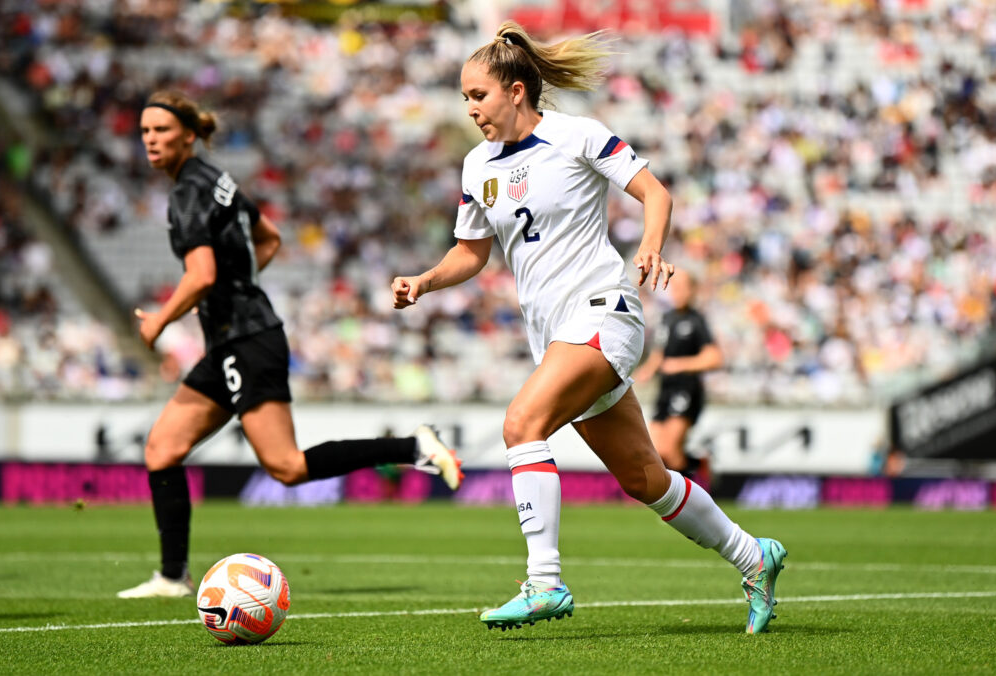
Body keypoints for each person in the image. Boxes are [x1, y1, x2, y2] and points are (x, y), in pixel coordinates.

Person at [392, 22, 786, 634]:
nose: (470, 109)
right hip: (557, 336)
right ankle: (752, 556)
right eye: (465, 98)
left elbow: (654, 193)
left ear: (516, 91)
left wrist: (651, 247)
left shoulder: (577, 135)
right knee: (646, 479)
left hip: (606, 312)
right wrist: (425, 281)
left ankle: (544, 583)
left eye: (477, 96)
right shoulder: (477, 167)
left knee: (522, 424)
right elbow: (471, 253)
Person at [118, 91, 463, 599]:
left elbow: (202, 272)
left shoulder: (187, 192)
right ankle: (172, 577)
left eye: (161, 131)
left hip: (248, 339)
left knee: (287, 466)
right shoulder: (217, 180)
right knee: (162, 448)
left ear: (188, 135)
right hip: (231, 338)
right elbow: (269, 238)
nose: (151, 139)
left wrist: (160, 322)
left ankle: (415, 446)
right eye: (145, 131)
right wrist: (229, 291)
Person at [633, 271, 722, 476]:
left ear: (693, 291)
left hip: (686, 390)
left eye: (683, 288)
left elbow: (715, 358)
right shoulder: (667, 318)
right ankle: (698, 462)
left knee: (671, 451)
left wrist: (679, 365)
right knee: (656, 452)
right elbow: (659, 353)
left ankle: (688, 501)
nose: (678, 293)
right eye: (675, 288)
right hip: (665, 389)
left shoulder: (697, 320)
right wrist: (646, 372)